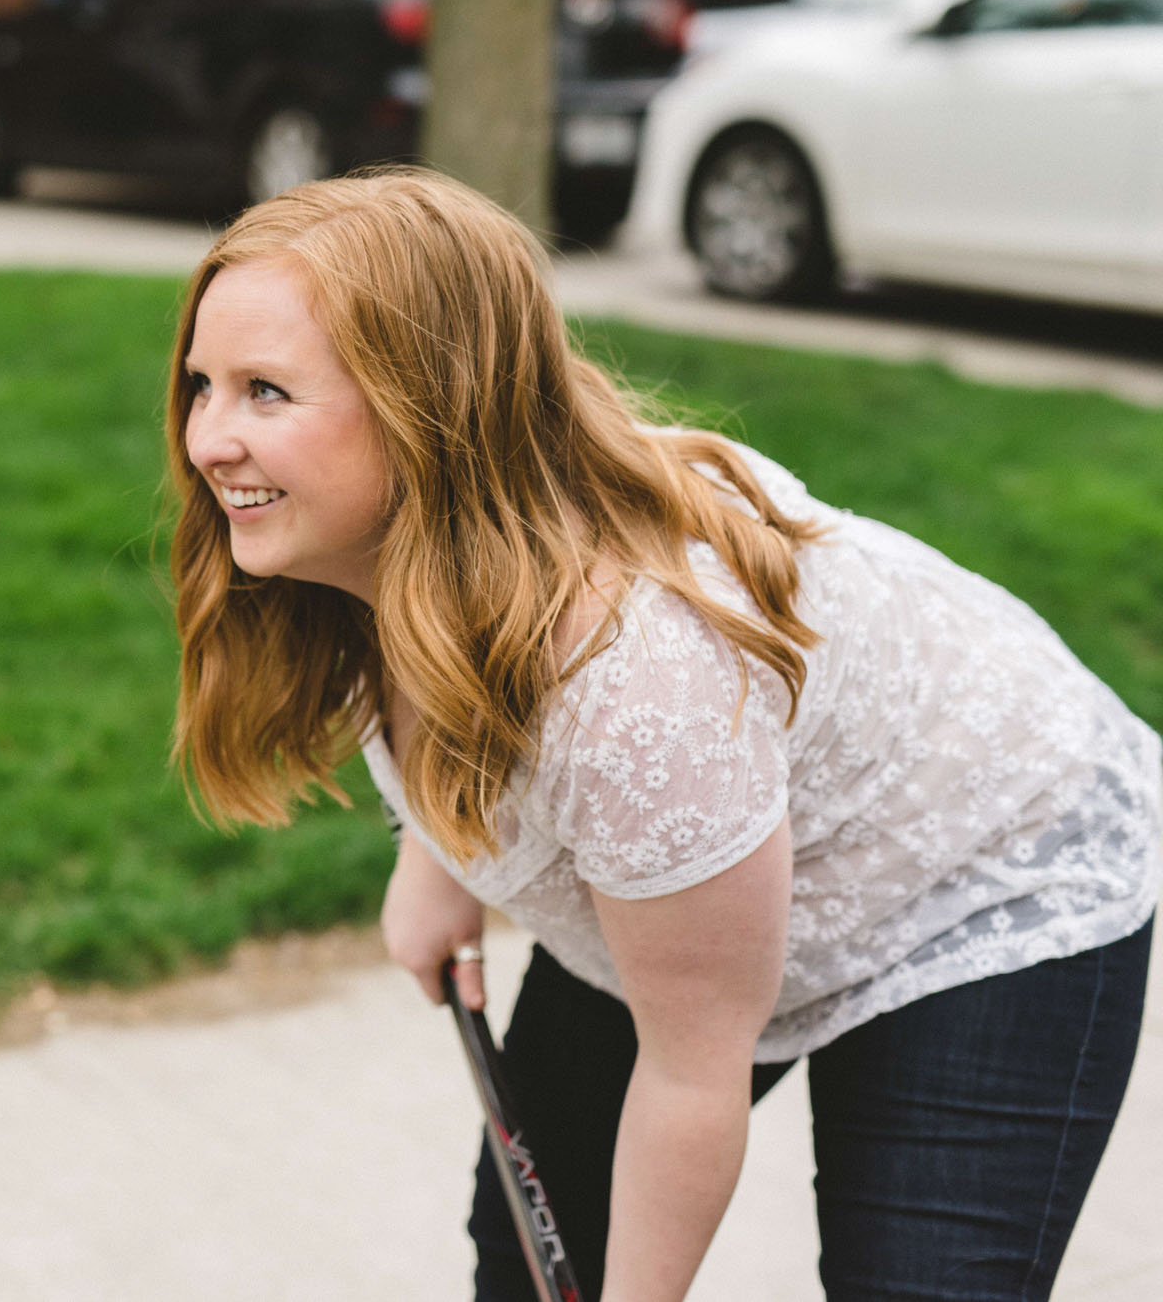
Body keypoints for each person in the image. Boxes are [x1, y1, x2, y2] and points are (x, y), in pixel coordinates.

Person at [163, 166, 1159, 1302]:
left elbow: (690, 1073)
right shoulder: (359, 547)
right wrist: (434, 853)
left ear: (427, 410)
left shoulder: (637, 684)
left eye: (265, 393)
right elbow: (444, 694)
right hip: (709, 872)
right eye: (203, 384)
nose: (207, 439)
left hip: (978, 870)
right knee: (532, 1265)